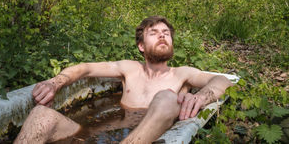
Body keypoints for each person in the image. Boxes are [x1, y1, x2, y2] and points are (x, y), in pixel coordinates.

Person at [14, 16, 233, 143]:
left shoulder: (183, 73)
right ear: (141, 46)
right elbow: (86, 68)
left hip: (152, 138)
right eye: (154, 32)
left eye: (166, 32)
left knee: (167, 97)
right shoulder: (130, 69)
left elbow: (223, 80)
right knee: (41, 115)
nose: (162, 35)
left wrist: (203, 96)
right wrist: (55, 82)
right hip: (104, 137)